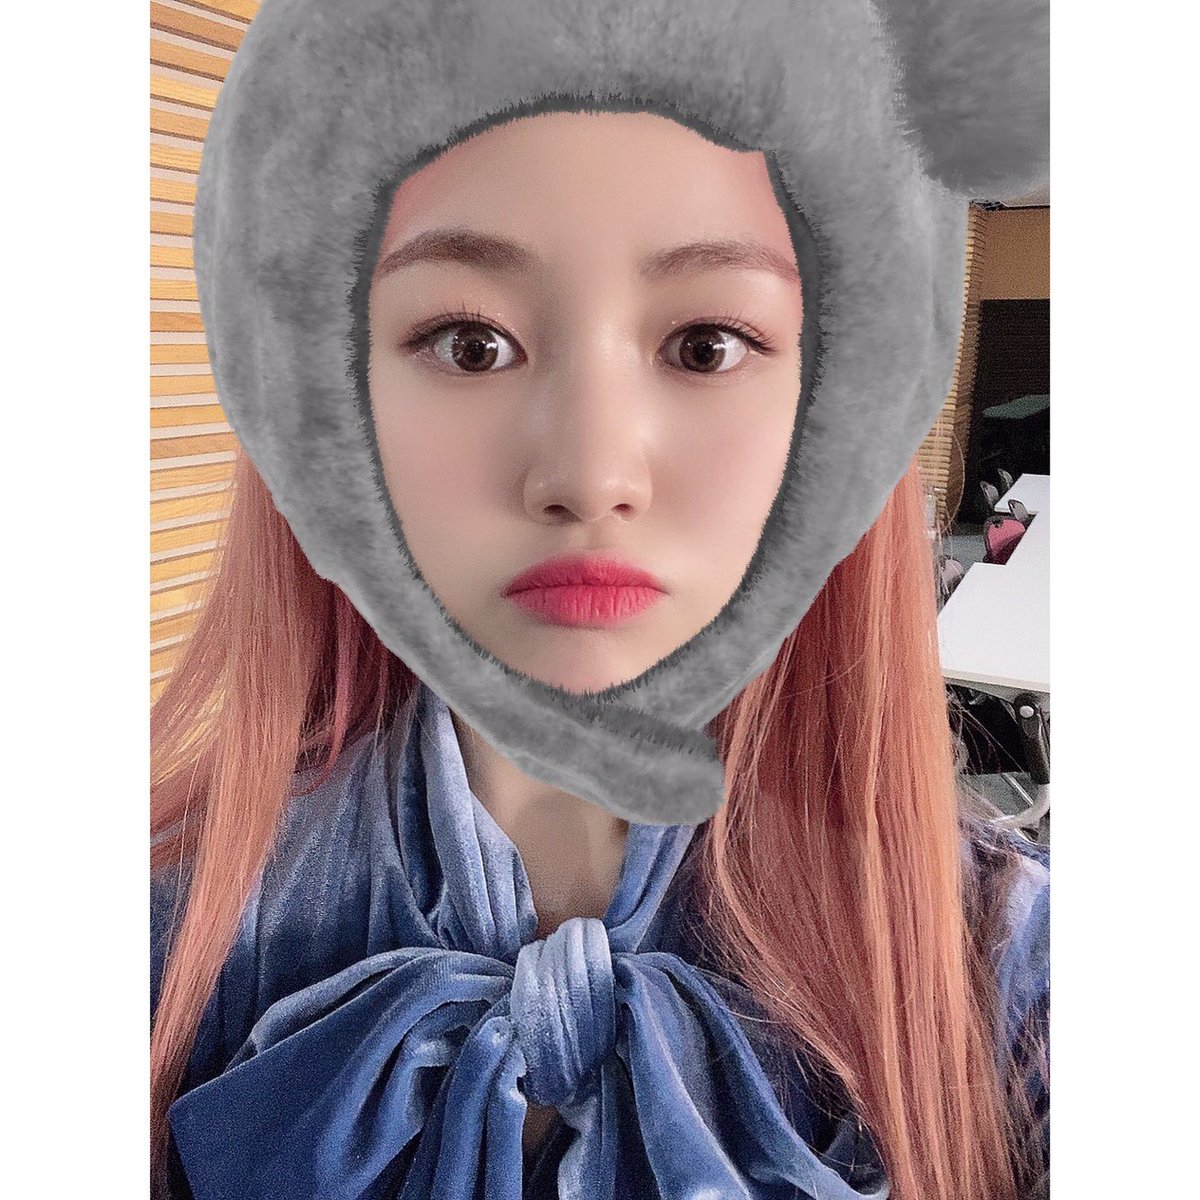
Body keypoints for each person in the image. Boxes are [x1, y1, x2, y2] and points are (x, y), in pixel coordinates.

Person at [151, 102, 1048, 1200]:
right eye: (471, 344)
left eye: (707, 345)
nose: (589, 473)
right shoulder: (160, 932)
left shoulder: (1016, 972)